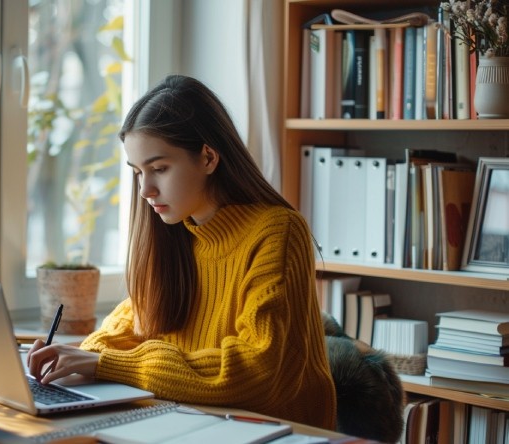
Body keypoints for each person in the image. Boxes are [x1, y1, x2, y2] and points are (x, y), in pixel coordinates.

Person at [27, 74, 336, 430]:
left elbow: (257, 370)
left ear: (207, 157)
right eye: (137, 172)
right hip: (190, 421)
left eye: (159, 168)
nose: (146, 189)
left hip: (272, 431)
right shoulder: (177, 232)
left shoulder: (277, 232)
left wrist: (102, 363)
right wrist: (82, 355)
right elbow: (131, 322)